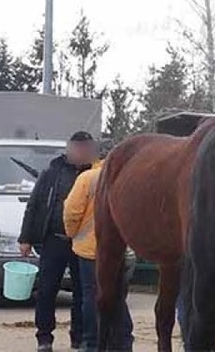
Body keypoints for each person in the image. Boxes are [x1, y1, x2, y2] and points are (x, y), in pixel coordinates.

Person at [18, 131, 98, 352]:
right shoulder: (51, 173)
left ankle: (79, 337)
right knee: (46, 290)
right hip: (54, 240)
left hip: (82, 242)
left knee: (82, 293)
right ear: (69, 148)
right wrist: (25, 238)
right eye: (76, 148)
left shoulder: (95, 174)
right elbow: (33, 206)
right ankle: (44, 338)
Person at [63, 147, 136, 352]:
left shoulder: (88, 178)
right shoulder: (128, 177)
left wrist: (72, 234)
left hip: (91, 250)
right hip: (125, 249)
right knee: (118, 296)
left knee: (91, 296)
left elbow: (71, 212)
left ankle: (92, 341)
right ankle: (123, 341)